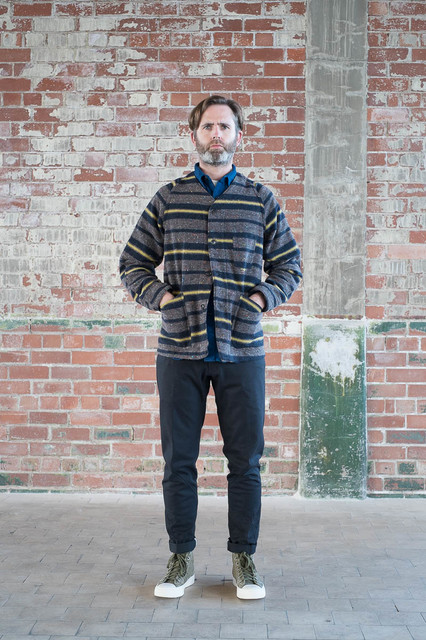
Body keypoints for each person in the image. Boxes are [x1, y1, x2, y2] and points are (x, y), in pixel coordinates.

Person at [119, 95, 302, 600]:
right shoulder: (168, 198)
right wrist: (163, 299)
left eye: (224, 126)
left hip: (243, 350)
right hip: (180, 350)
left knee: (245, 461)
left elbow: (289, 266)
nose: (216, 134)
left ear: (239, 135)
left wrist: (261, 299)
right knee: (179, 460)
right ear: (194, 134)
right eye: (207, 127)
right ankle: (181, 558)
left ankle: (244, 559)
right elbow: (133, 263)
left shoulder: (260, 199)